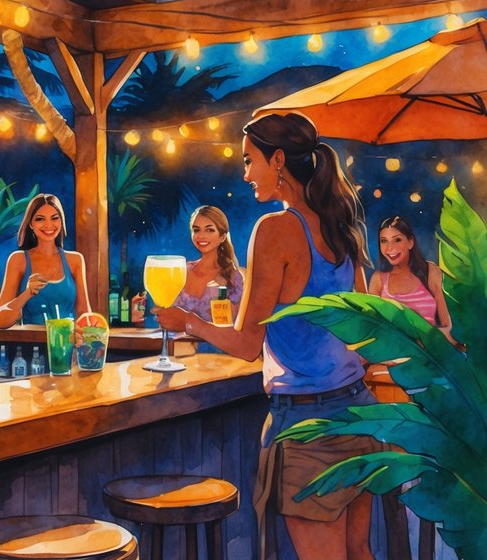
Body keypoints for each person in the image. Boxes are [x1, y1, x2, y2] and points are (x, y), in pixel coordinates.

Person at [154, 113, 377, 560]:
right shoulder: (338, 226)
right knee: (358, 554)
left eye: (248, 160)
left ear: (277, 161)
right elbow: (365, 334)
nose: (244, 173)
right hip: (360, 413)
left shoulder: (275, 229)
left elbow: (247, 344)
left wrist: (186, 322)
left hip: (308, 428)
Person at [133, 206, 245, 348]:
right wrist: (138, 319)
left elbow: (235, 328)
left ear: (222, 236)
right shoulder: (180, 270)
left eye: (209, 230)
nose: (201, 236)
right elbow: (161, 315)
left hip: (215, 356)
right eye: (196, 230)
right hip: (176, 353)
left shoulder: (232, 277)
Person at [0, 193, 91, 327]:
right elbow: (1, 321)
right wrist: (28, 293)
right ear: (30, 224)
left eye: (54, 218)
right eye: (40, 219)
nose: (48, 225)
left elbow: (84, 313)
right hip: (32, 345)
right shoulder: (18, 259)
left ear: (61, 221)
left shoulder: (75, 260)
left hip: (67, 345)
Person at [370, 216, 454, 342]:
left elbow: (448, 327)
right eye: (384, 241)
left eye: (397, 240)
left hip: (430, 354)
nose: (389, 248)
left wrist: (422, 342)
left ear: (410, 242)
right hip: (393, 357)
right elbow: (372, 328)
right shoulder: (378, 278)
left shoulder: (431, 272)